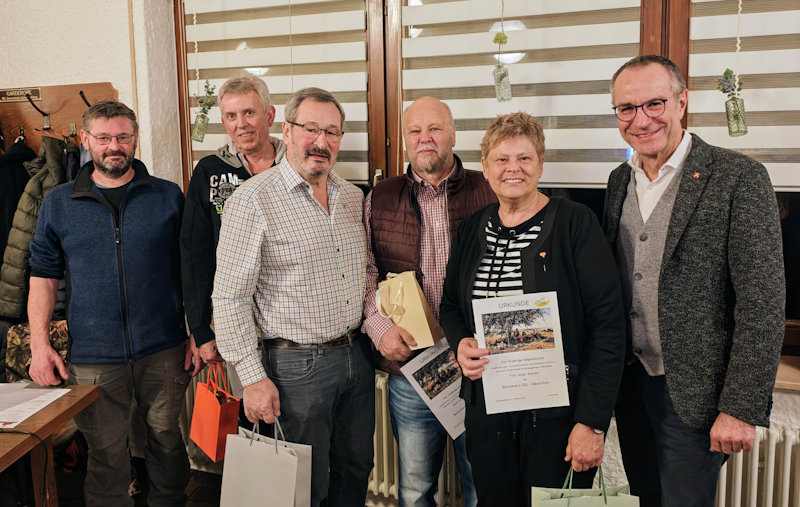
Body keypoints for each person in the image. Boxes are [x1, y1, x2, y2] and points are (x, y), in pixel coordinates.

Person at [602, 55, 785, 507]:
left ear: (682, 102)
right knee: (644, 497)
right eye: (627, 108)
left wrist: (739, 407)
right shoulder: (618, 181)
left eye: (655, 104)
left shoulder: (738, 177)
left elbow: (762, 303)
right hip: (630, 385)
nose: (641, 120)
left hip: (696, 395)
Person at [440, 112, 626, 506]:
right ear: (485, 167)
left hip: (559, 418)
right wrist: (461, 343)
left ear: (540, 164)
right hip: (488, 411)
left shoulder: (575, 223)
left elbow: (608, 326)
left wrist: (592, 423)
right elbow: (451, 305)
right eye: (502, 159)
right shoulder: (472, 228)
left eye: (524, 158)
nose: (513, 168)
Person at [27, 100, 198, 506]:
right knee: (105, 454)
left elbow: (190, 271)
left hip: (164, 349)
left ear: (135, 138)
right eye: (103, 138)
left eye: (122, 136)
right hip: (93, 357)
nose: (114, 146)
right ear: (86, 140)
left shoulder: (168, 196)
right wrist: (39, 344)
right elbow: (43, 276)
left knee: (167, 441)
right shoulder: (59, 202)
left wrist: (198, 333)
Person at [213, 87, 374, 507]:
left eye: (332, 132)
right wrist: (252, 378)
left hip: (355, 357)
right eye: (311, 129)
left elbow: (365, 273)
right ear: (286, 131)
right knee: (302, 487)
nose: (321, 142)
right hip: (294, 368)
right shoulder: (253, 200)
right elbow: (229, 298)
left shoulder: (351, 197)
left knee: (355, 471)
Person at [362, 96, 496, 506]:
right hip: (413, 371)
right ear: (405, 139)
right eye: (415, 131)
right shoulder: (379, 198)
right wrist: (379, 329)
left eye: (435, 128)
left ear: (453, 133)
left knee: (482, 486)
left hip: (480, 369)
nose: (425, 138)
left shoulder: (490, 189)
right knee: (415, 488)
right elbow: (364, 272)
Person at [180, 76, 286, 369]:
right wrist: (201, 329)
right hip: (234, 323)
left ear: (270, 115)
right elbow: (195, 255)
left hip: (293, 322)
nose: (241, 124)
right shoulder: (209, 172)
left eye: (249, 112)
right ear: (224, 122)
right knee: (249, 396)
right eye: (231, 116)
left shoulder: (295, 167)